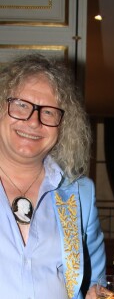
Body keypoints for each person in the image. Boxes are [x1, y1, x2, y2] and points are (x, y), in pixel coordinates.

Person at [0, 54, 105, 299]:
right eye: (21, 105)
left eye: (48, 112)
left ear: (64, 125)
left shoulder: (81, 194)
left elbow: (96, 283)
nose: (33, 121)